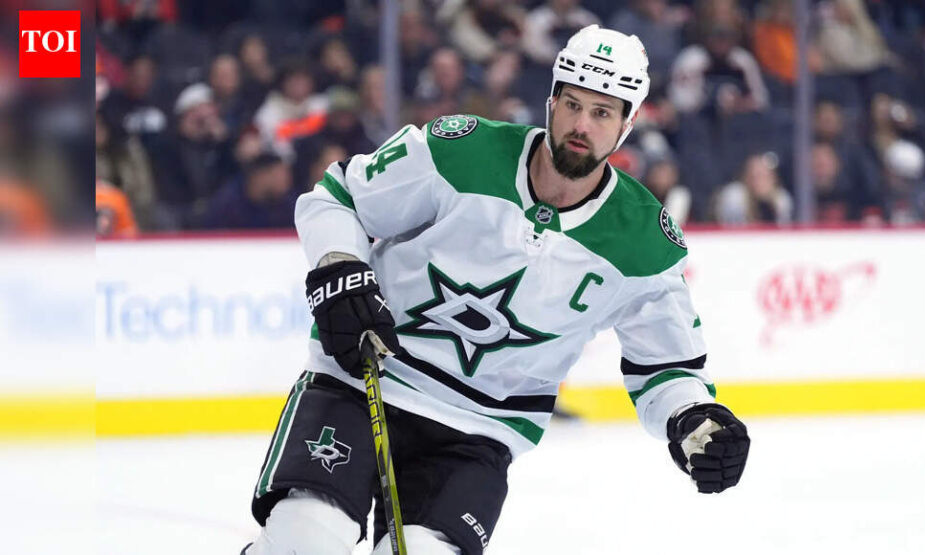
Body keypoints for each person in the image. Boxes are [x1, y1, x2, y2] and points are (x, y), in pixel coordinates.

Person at [242, 25, 750, 555]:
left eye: (602, 113)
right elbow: (337, 196)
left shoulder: (645, 242)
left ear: (628, 123)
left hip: (477, 435)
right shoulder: (460, 151)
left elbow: (669, 368)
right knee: (305, 540)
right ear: (551, 100)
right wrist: (340, 266)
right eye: (572, 105)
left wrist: (695, 418)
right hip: (363, 380)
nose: (581, 125)